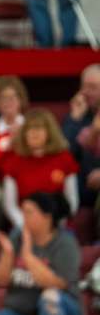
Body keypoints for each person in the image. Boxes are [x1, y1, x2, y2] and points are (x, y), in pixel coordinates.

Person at [2, 108, 78, 230]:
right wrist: (26, 226)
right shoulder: (14, 162)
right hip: (24, 226)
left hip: (58, 226)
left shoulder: (65, 159)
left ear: (50, 132)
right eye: (30, 129)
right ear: (24, 133)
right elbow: (10, 206)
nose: (34, 133)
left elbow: (72, 200)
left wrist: (54, 224)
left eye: (39, 128)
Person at [63, 64, 100, 208]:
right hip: (82, 188)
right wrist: (74, 119)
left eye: (92, 87)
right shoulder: (78, 115)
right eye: (83, 87)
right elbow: (64, 155)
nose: (85, 92)